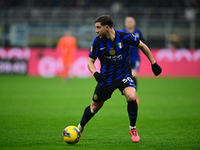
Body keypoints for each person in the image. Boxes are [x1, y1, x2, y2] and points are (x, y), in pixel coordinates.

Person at [77, 15, 162, 143]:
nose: (96, 31)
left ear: (107, 27)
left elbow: (142, 46)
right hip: (106, 79)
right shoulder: (97, 42)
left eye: (98, 28)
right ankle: (79, 128)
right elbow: (90, 61)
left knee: (131, 97)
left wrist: (153, 63)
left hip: (124, 76)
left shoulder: (125, 36)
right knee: (94, 107)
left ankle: (132, 127)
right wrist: (95, 74)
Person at [124, 16, 145, 104]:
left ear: (134, 23)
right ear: (125, 23)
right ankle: (130, 93)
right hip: (125, 59)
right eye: (128, 21)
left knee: (133, 75)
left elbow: (144, 44)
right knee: (127, 78)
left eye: (131, 21)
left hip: (135, 58)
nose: (129, 23)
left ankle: (134, 94)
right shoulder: (122, 33)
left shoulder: (138, 33)